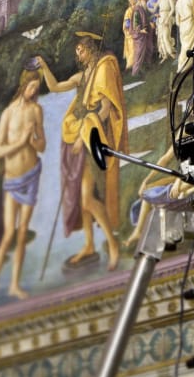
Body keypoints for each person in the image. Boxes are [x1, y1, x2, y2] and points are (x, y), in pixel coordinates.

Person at [37, 30, 127, 272]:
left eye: (81, 49)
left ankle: (113, 243)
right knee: (81, 196)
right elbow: (56, 86)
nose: (78, 53)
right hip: (79, 134)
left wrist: (85, 134)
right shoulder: (83, 75)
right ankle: (89, 245)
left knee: (87, 198)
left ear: (91, 49)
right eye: (77, 50)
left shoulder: (104, 69)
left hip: (94, 138)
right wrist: (44, 66)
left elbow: (106, 108)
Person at [0, 69, 46, 302]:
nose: (34, 92)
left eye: (37, 89)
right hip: (12, 179)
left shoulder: (36, 110)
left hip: (31, 174)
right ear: (23, 84)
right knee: (8, 234)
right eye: (31, 87)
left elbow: (42, 146)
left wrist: (33, 139)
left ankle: (15, 285)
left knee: (20, 234)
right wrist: (19, 142)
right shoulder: (8, 114)